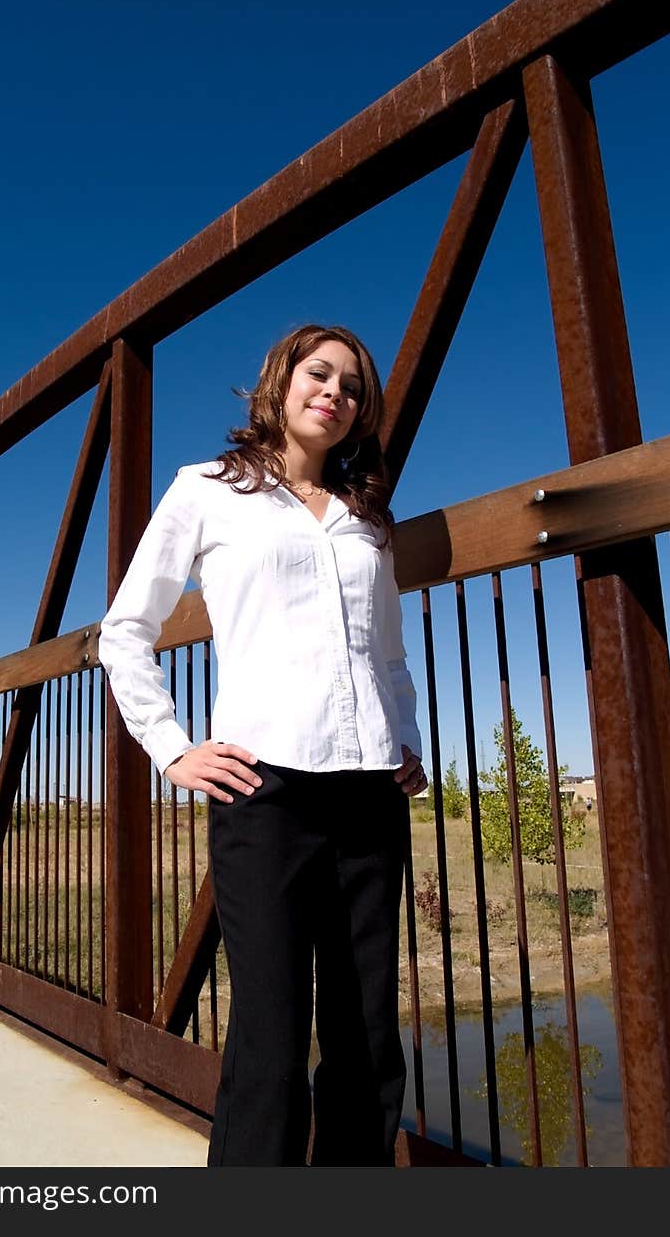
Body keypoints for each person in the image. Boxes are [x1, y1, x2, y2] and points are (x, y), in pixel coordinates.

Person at [98, 323, 427, 1167]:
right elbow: (125, 631)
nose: (336, 393)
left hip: (367, 793)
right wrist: (172, 748)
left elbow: (386, 651)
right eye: (320, 373)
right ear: (280, 380)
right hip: (264, 791)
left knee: (364, 1037)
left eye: (353, 387)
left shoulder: (366, 521)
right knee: (270, 1038)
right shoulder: (206, 490)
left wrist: (407, 740)